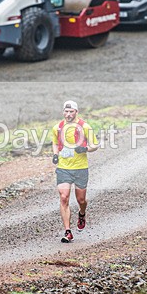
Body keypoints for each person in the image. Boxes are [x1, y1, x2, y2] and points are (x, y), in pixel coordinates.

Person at [51, 100, 98, 243]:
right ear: (63, 112)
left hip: (80, 168)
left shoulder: (85, 127)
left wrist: (85, 149)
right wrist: (55, 154)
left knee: (81, 200)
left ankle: (82, 213)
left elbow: (95, 145)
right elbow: (54, 142)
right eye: (66, 111)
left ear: (76, 112)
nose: (68, 114)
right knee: (64, 197)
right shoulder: (57, 127)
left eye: (71, 111)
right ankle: (68, 232)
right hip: (64, 168)